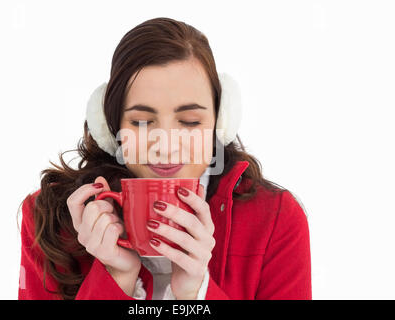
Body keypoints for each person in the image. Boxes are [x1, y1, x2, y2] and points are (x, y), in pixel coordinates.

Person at [17, 17, 311, 300]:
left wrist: (196, 293)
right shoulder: (49, 218)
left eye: (190, 122)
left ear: (220, 124)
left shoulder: (276, 220)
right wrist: (115, 280)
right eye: (142, 122)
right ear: (111, 127)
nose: (167, 147)